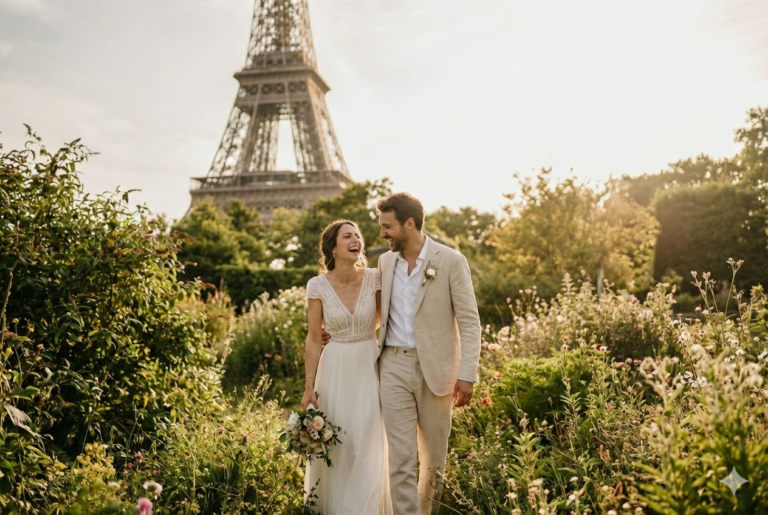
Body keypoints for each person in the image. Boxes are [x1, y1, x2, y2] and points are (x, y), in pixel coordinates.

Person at [376, 192, 481, 514]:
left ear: (410, 224)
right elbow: (371, 309)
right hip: (393, 365)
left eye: (388, 226)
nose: (382, 234)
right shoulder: (384, 261)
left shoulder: (450, 260)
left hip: (438, 370)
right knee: (401, 458)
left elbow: (469, 321)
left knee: (434, 462)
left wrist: (467, 373)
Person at [302, 220, 392, 515]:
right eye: (347, 236)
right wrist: (308, 387)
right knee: (339, 445)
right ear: (332, 247)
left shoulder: (375, 277)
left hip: (368, 365)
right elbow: (314, 338)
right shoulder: (317, 285)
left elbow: (383, 320)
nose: (356, 240)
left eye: (358, 236)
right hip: (335, 371)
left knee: (366, 446)